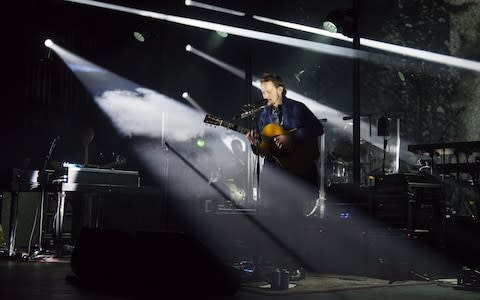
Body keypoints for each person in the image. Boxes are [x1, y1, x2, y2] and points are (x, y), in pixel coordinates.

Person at [245, 73, 324, 280]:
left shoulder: (297, 108)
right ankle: (274, 265)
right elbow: (265, 150)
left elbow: (318, 128)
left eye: (268, 91)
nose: (265, 95)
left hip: (297, 172)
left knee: (294, 220)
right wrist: (255, 144)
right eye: (262, 91)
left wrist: (291, 136)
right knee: (272, 219)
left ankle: (295, 266)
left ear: (280, 89)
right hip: (274, 174)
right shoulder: (262, 115)